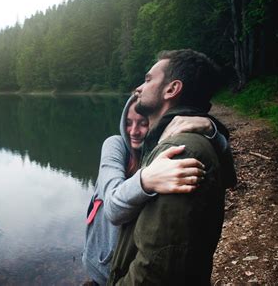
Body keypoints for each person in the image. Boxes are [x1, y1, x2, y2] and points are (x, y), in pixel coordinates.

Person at [107, 49, 237, 285]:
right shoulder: (168, 141)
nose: (138, 88)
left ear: (172, 89)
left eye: (147, 80)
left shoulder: (179, 151)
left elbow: (156, 267)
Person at [83, 93, 229, 285]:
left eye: (142, 123)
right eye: (128, 122)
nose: (133, 131)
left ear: (154, 121)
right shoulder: (115, 145)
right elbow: (113, 208)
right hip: (102, 267)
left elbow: (228, 178)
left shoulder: (164, 149)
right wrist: (146, 179)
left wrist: (212, 131)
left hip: (132, 267)